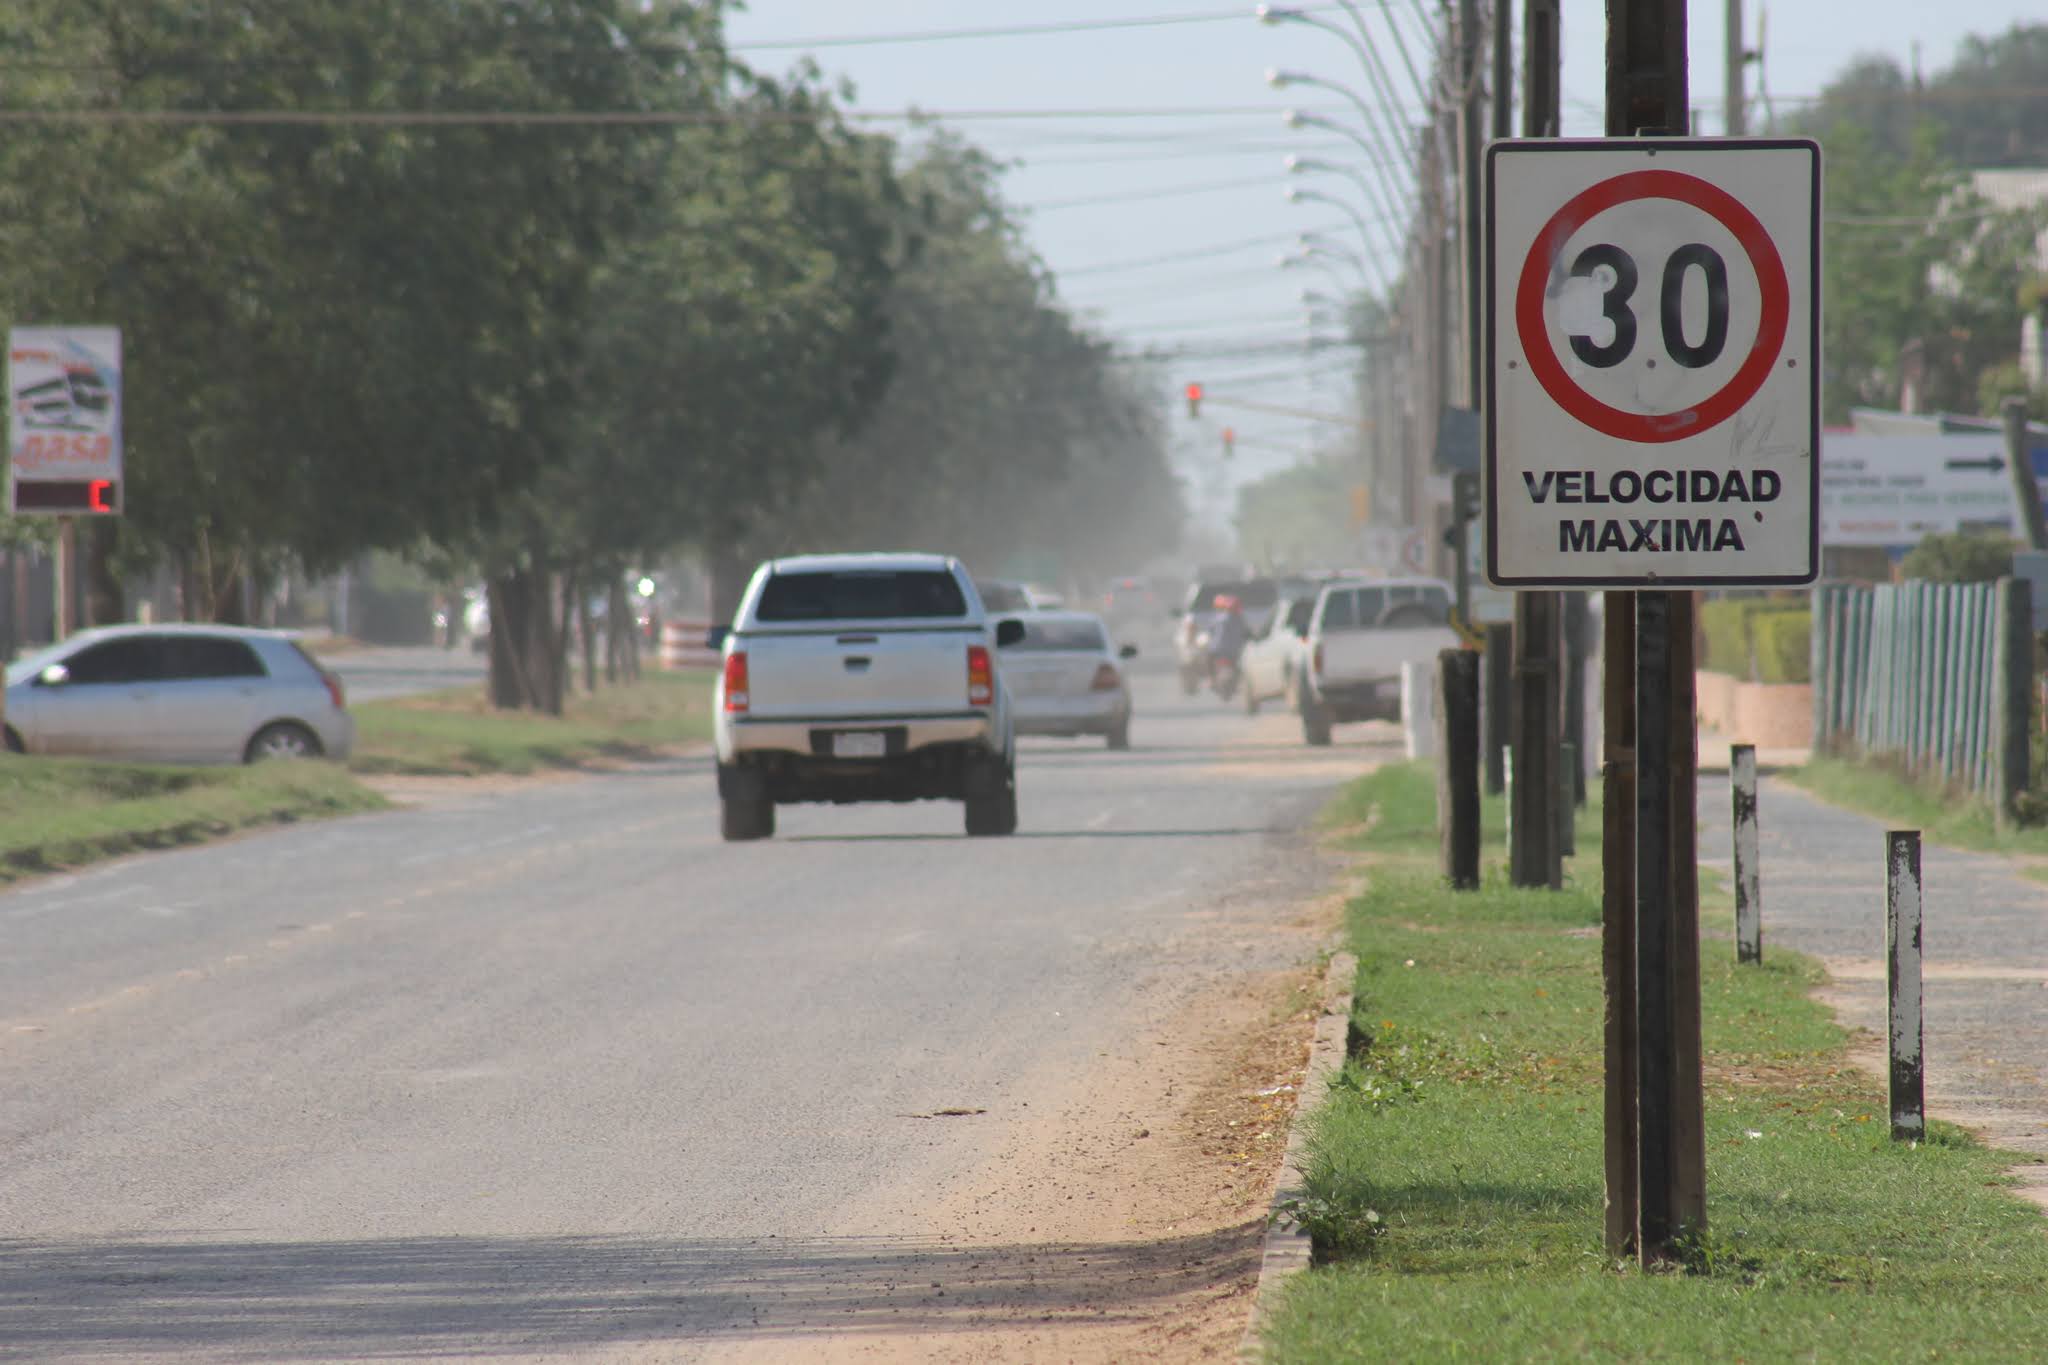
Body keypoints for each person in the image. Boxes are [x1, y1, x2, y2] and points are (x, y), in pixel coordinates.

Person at [1208, 593, 1248, 680]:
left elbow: (1211, 631)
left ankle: (1211, 679)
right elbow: (1246, 634)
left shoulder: (1219, 619)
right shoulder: (1240, 620)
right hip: (1233, 653)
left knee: (1209, 662)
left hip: (1217, 651)